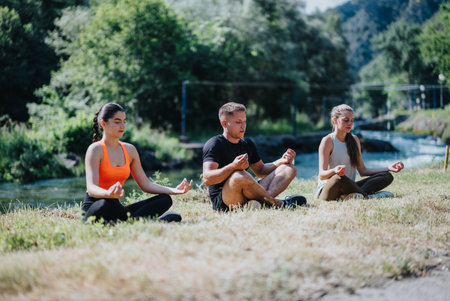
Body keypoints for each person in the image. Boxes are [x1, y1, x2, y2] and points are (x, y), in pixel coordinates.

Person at [82, 103, 193, 223]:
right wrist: (108, 193)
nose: (122, 126)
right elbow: (91, 188)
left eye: (124, 121)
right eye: (117, 121)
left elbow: (145, 184)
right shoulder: (95, 150)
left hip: (116, 207)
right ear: (103, 124)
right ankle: (148, 221)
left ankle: (128, 221)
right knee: (106, 202)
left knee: (165, 199)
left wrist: (174, 190)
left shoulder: (130, 150)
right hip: (96, 208)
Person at [202, 102, 306, 212]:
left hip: (249, 193)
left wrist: (282, 161)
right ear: (224, 123)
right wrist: (233, 167)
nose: (243, 126)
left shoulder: (247, 143)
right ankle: (279, 203)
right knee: (239, 175)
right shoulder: (214, 144)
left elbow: (260, 171)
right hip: (225, 200)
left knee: (289, 168)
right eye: (238, 122)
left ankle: (257, 204)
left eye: (244, 121)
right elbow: (207, 178)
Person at [316, 104, 404, 201]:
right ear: (335, 120)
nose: (350, 123)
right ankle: (369, 197)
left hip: (349, 187)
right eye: (346, 120)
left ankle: (350, 197)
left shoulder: (354, 140)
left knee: (386, 176)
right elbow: (322, 174)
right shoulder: (327, 141)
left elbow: (363, 171)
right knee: (339, 178)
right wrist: (334, 170)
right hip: (328, 190)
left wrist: (388, 168)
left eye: (352, 120)